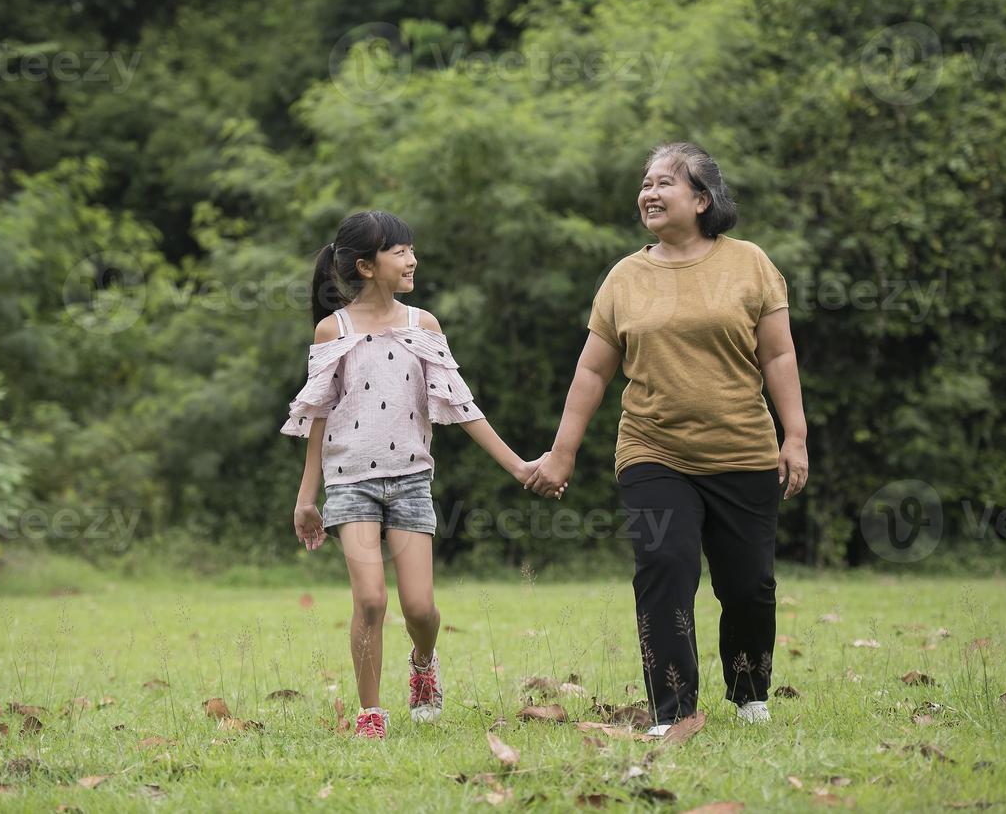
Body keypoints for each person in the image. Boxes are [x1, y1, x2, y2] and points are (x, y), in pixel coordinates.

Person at [526, 142, 808, 735]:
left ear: (702, 199)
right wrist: (563, 450)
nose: (648, 193)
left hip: (743, 450)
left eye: (664, 183)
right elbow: (592, 371)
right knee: (664, 565)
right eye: (645, 183)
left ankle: (750, 691)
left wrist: (796, 436)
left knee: (748, 584)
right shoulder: (625, 277)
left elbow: (778, 354)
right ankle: (672, 708)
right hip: (653, 452)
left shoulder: (750, 264)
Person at [282, 210, 560, 740]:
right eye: (400, 251)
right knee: (370, 600)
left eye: (411, 249)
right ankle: (370, 715)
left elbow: (463, 406)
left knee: (419, 607)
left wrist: (520, 466)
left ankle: (424, 664)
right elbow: (317, 415)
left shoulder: (422, 326)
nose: (413, 259)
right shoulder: (331, 330)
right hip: (350, 482)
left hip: (410, 479)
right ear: (365, 265)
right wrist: (305, 497)